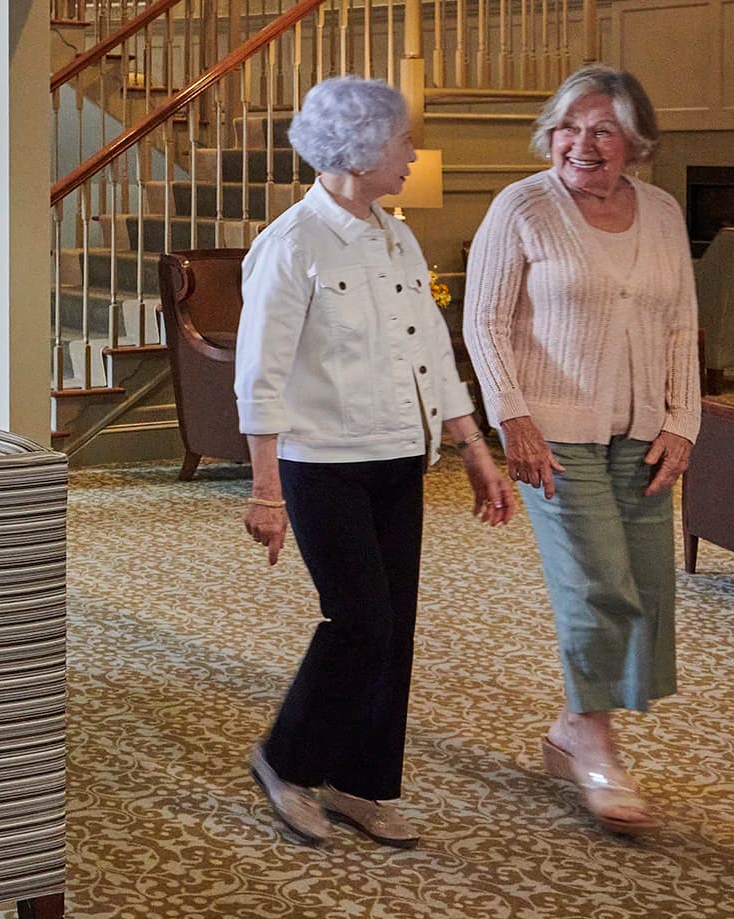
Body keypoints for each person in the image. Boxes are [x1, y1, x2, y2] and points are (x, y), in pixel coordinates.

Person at [235, 76, 513, 848]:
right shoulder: (292, 244)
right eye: (401, 142)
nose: (411, 154)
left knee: (396, 630)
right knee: (360, 622)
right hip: (321, 464)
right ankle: (284, 760)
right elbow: (258, 372)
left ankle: (360, 783)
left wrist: (473, 446)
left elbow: (430, 347)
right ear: (359, 150)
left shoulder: (397, 235)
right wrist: (266, 490)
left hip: (400, 461)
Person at [463, 65, 700, 836]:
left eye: (602, 129)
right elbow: (486, 323)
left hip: (646, 430)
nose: (581, 143)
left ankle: (572, 723)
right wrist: (513, 419)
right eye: (568, 126)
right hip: (555, 433)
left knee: (647, 586)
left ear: (635, 140)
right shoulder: (523, 206)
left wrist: (683, 423)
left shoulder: (662, 212)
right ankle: (596, 743)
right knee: (599, 582)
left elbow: (680, 328)